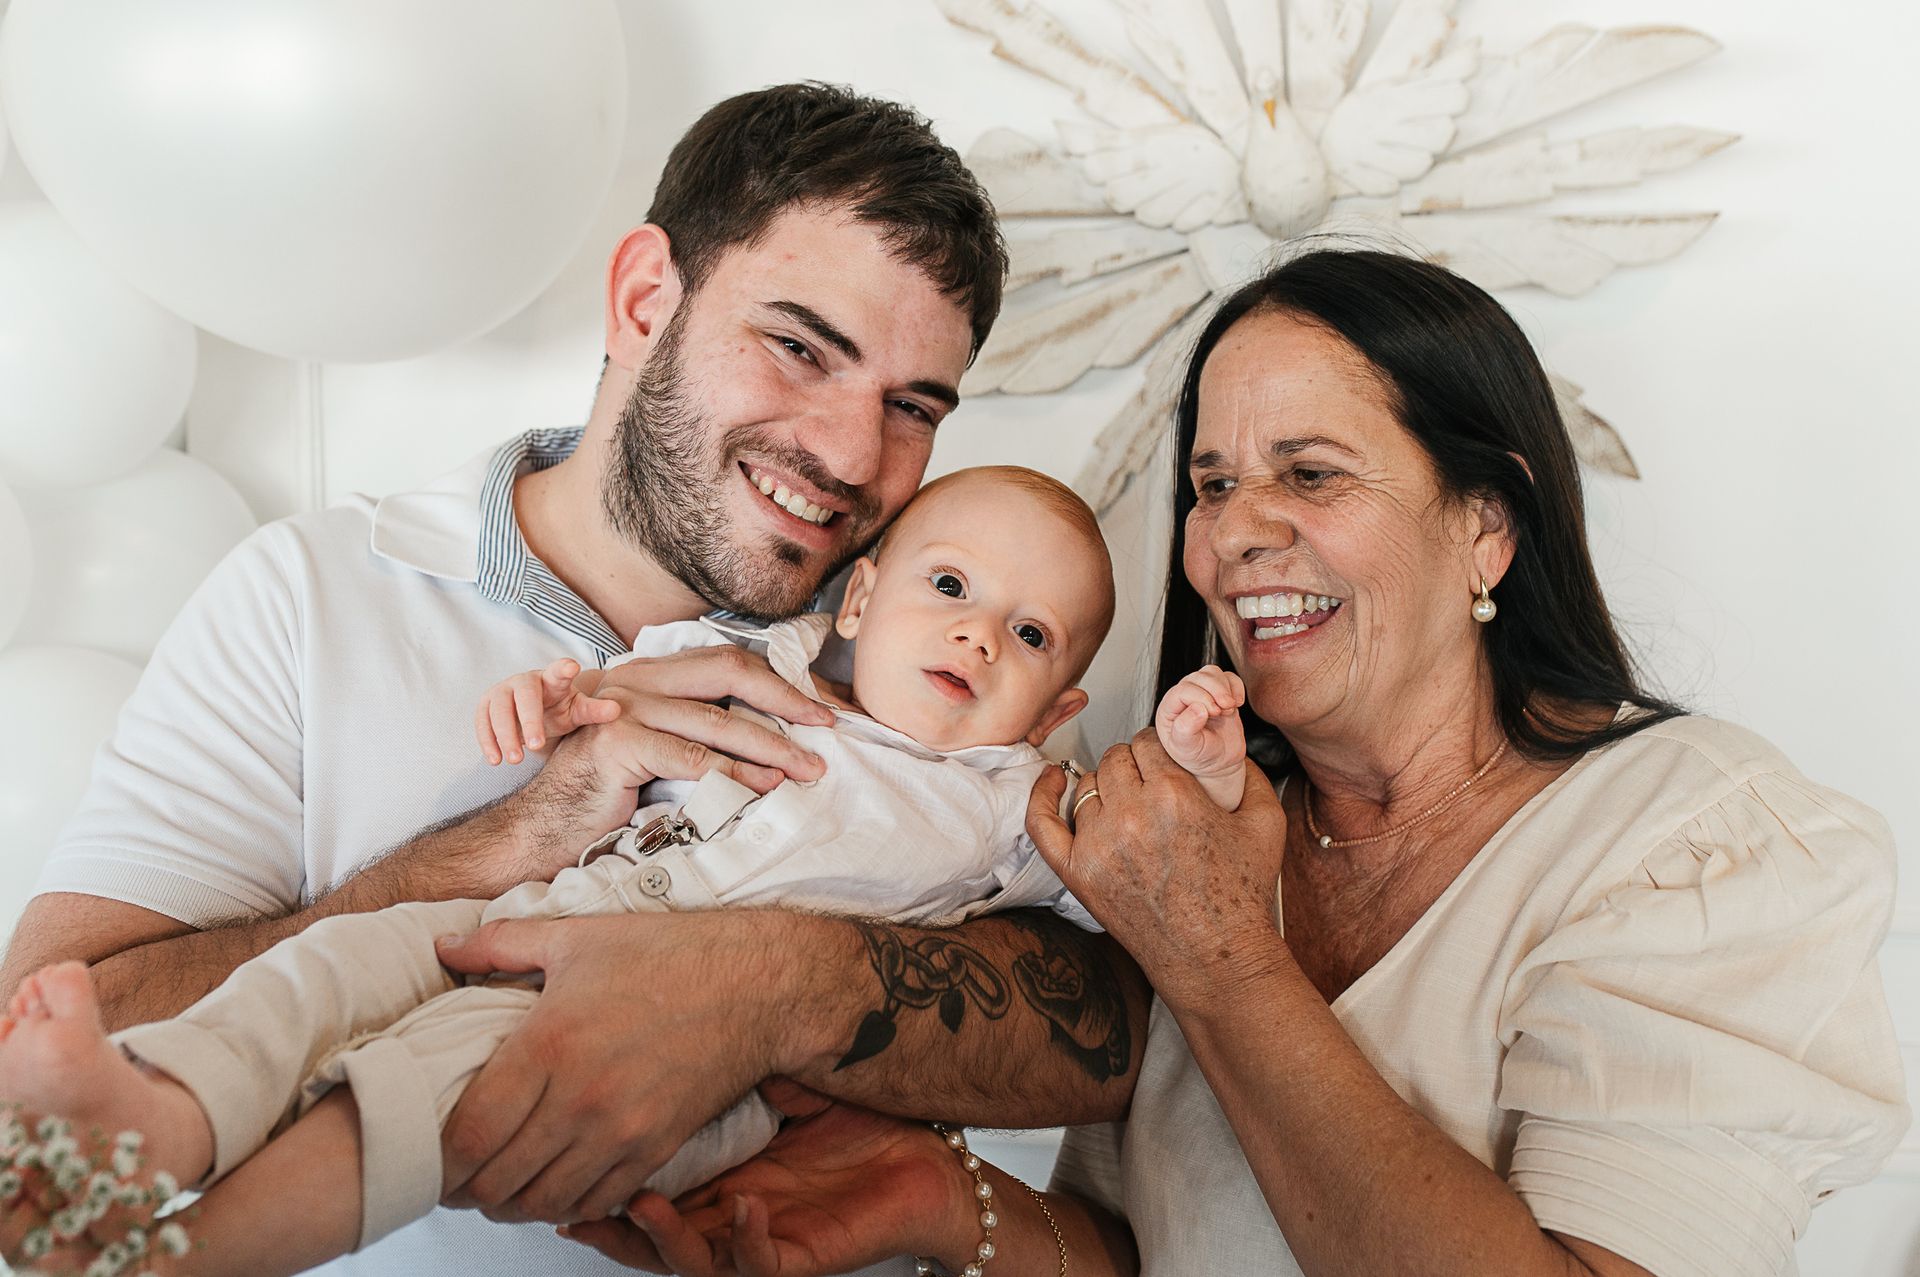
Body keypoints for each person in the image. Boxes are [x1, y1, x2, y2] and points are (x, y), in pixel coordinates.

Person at [0, 85, 1152, 1277]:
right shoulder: (311, 593)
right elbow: (58, 1039)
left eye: (911, 406)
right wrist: (520, 829)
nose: (855, 456)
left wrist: (763, 983)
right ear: (646, 298)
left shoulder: (927, 640)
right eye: (801, 346)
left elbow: (1115, 1031)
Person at [576, 250, 1911, 1277]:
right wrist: (940, 1204)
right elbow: (1151, 1246)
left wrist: (1223, 963)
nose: (1237, 538)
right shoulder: (1178, 813)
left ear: (1488, 525)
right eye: (1212, 486)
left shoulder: (1703, 848)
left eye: (1310, 474)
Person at [0, 465, 1131, 1276]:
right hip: (524, 925)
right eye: (951, 587)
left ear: (1060, 707)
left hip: (687, 1072)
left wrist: (1194, 765)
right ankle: (156, 1117)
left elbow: (1134, 912)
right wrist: (546, 707)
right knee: (342, 954)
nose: (981, 636)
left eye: (1031, 636)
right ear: (865, 596)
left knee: (422, 1096)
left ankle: (189, 1256)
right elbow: (603, 699)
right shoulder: (750, 661)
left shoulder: (1005, 799)